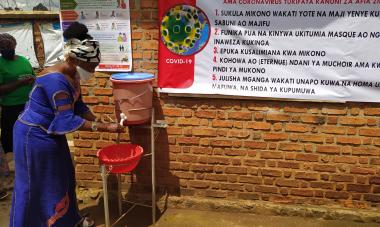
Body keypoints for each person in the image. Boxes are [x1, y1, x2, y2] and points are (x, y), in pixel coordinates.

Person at [10, 22, 124, 227]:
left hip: (50, 134)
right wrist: (105, 128)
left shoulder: (73, 75)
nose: (93, 71)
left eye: (95, 67)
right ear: (72, 59)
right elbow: (66, 120)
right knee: (33, 185)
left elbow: (78, 106)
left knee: (62, 177)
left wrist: (96, 119)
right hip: (32, 136)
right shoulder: (54, 80)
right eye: (90, 67)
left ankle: (68, 221)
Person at [0, 33, 35, 164]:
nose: (7, 50)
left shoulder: (23, 60)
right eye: (3, 48)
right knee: (10, 136)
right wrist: (21, 82)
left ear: (15, 46)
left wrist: (33, 80)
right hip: (11, 107)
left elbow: (32, 76)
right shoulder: (0, 64)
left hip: (28, 105)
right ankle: (12, 162)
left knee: (28, 133)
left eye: (10, 47)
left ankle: (27, 158)